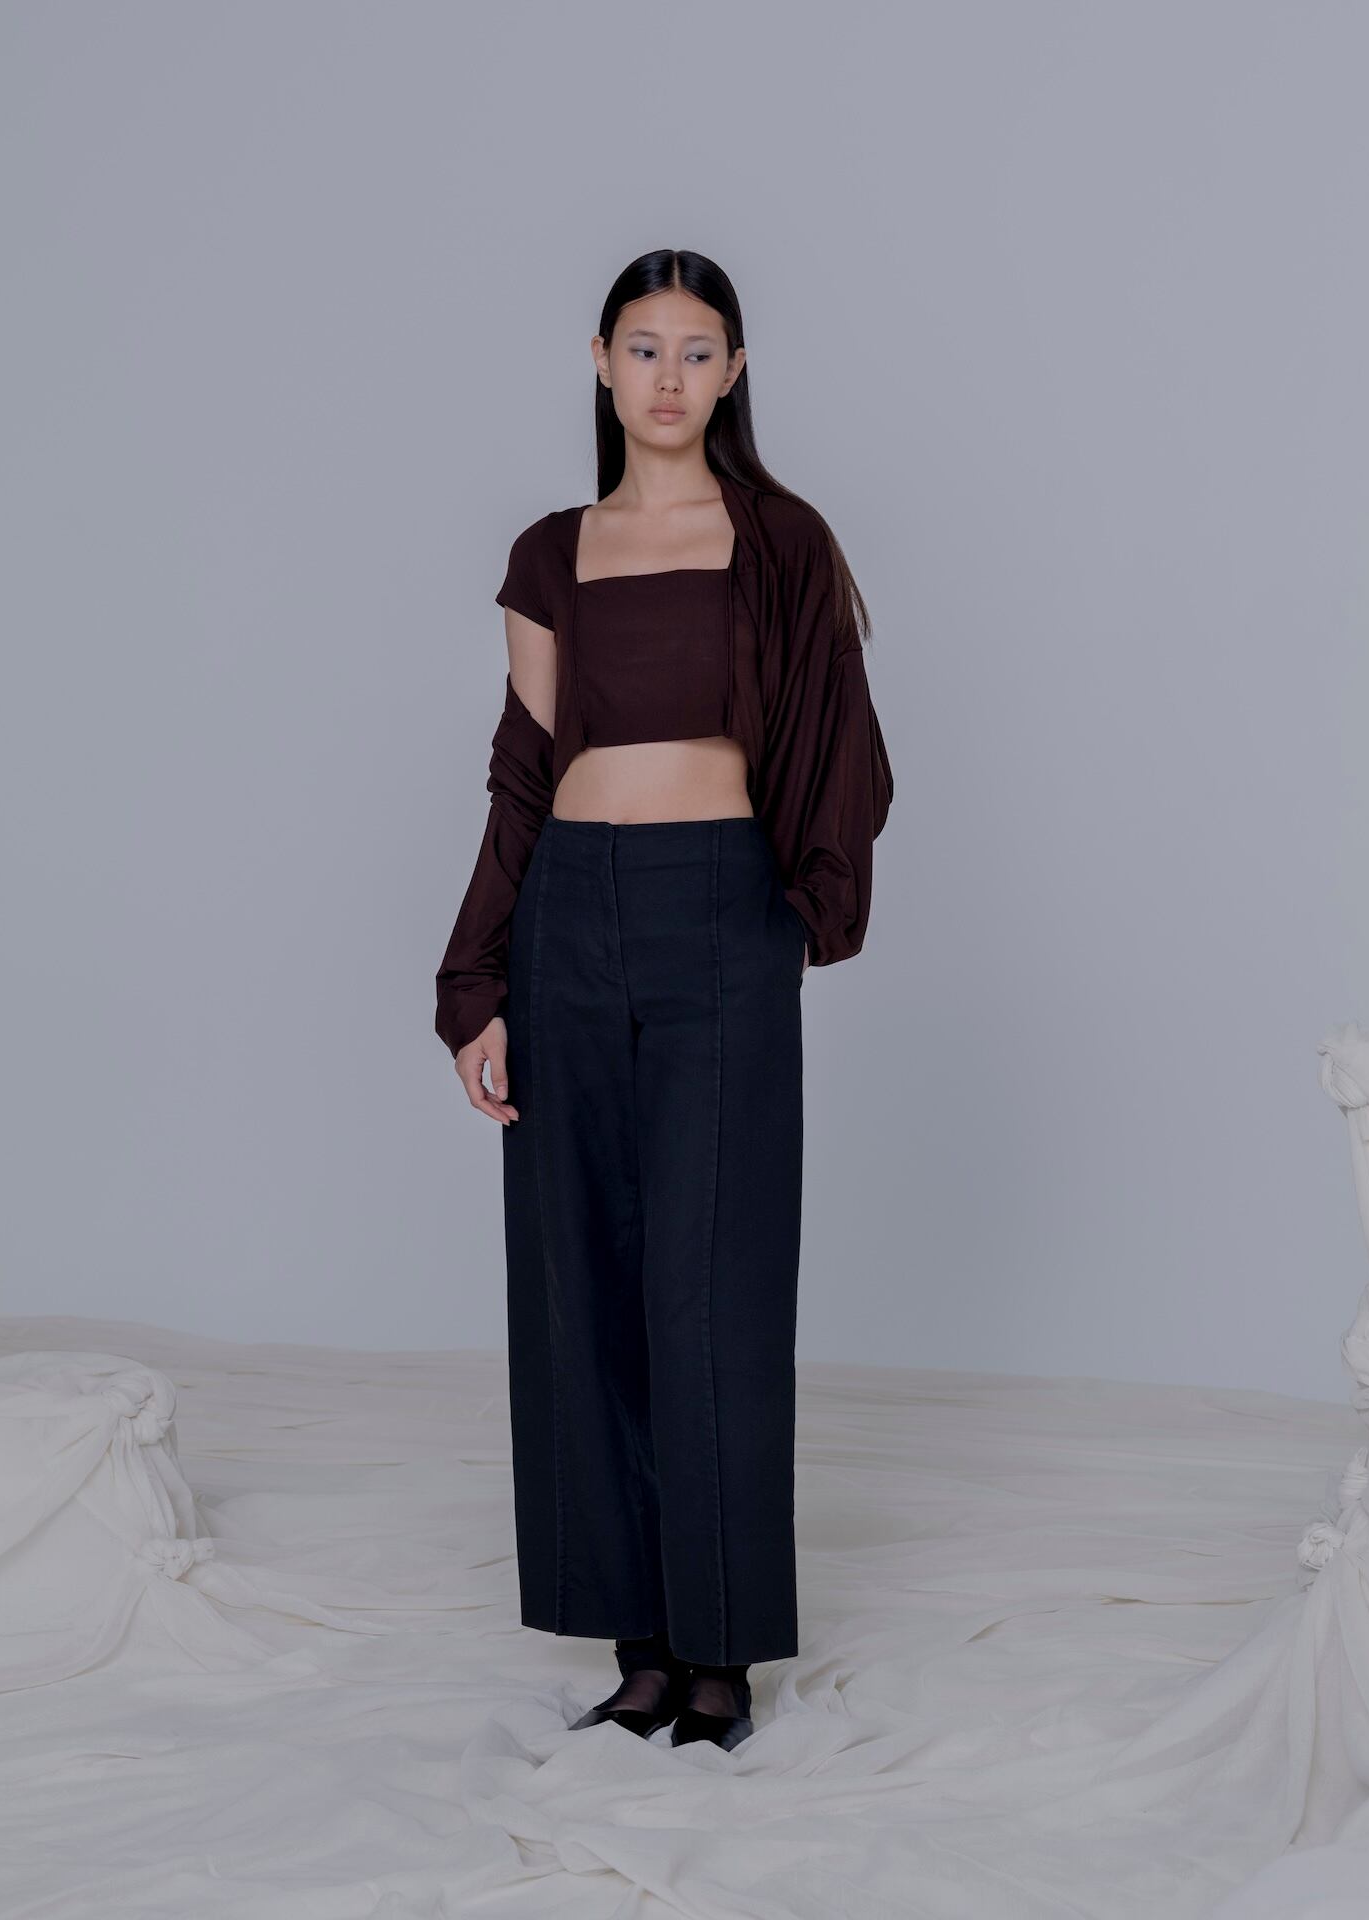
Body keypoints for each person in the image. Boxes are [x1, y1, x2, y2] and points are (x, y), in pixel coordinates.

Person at [435, 248, 893, 1750]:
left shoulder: (781, 541)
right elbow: (522, 775)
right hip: (569, 912)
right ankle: (639, 1648)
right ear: (601, 363)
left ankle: (721, 1654)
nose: (670, 377)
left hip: (721, 909)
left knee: (717, 1278)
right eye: (645, 348)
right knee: (584, 1276)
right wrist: (477, 979)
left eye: (699, 351)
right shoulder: (549, 552)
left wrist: (797, 908)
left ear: (735, 372)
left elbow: (838, 735)